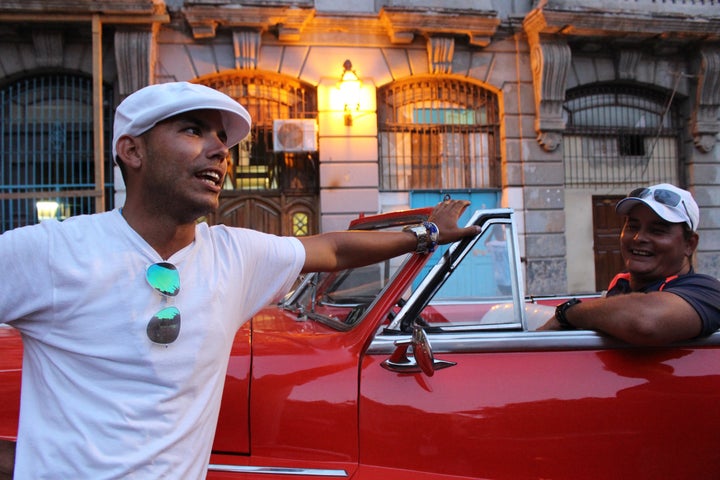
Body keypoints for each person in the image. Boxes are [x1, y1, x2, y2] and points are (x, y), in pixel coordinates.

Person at [0, 81, 480, 479]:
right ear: (132, 150)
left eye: (222, 141)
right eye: (193, 131)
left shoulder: (233, 254)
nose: (219, 150)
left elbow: (332, 249)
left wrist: (428, 232)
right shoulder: (52, 251)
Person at [540, 183, 720, 345]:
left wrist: (567, 313)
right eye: (633, 226)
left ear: (690, 244)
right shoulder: (621, 286)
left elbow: (645, 322)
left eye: (657, 231)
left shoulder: (707, 292)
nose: (639, 237)